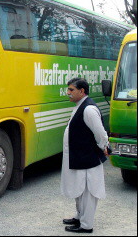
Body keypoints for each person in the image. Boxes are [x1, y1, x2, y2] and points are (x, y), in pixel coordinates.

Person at [60, 77, 109, 233]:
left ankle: (86, 225)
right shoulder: (79, 106)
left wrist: (104, 146)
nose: (68, 93)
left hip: (87, 159)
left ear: (82, 91)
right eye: (68, 89)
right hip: (79, 157)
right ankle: (79, 217)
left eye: (71, 90)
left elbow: (100, 133)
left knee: (88, 193)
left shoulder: (88, 109)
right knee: (78, 189)